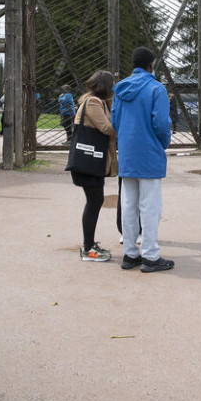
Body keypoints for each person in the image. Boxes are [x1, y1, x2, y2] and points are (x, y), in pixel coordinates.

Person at [111, 47, 174, 273]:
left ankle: (130, 254)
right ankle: (150, 255)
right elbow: (161, 123)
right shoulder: (156, 88)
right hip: (149, 152)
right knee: (150, 206)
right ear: (151, 65)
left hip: (127, 153)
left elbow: (115, 121)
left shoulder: (120, 89)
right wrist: (163, 142)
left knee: (128, 204)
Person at [71, 71, 117, 262]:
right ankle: (88, 248)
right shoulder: (93, 102)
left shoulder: (95, 101)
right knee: (94, 201)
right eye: (112, 84)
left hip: (92, 161)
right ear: (105, 85)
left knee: (95, 201)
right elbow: (106, 128)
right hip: (88, 161)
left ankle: (89, 245)